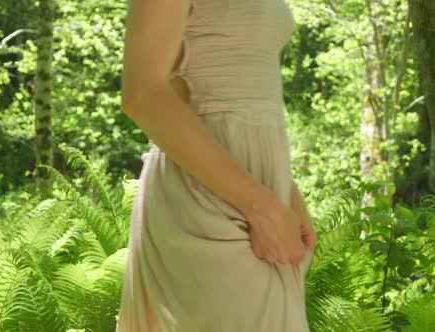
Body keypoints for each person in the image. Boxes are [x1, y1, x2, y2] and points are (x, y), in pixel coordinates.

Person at [116, 0, 318, 330]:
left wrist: (286, 190)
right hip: (207, 202)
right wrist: (261, 207)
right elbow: (142, 93)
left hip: (256, 192)